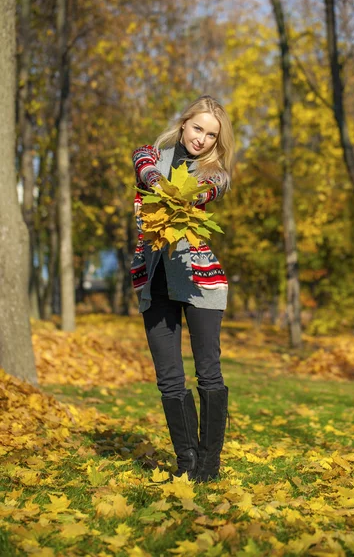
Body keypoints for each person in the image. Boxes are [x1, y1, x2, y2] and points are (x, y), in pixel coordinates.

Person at [130, 95, 235, 482]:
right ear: (183, 123)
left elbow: (208, 189)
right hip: (153, 279)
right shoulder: (149, 155)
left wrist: (185, 195)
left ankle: (209, 465)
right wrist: (159, 183)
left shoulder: (215, 173)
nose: (202, 139)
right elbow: (144, 168)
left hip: (199, 279)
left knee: (208, 372)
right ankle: (186, 462)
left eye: (211, 135)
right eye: (198, 128)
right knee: (169, 377)